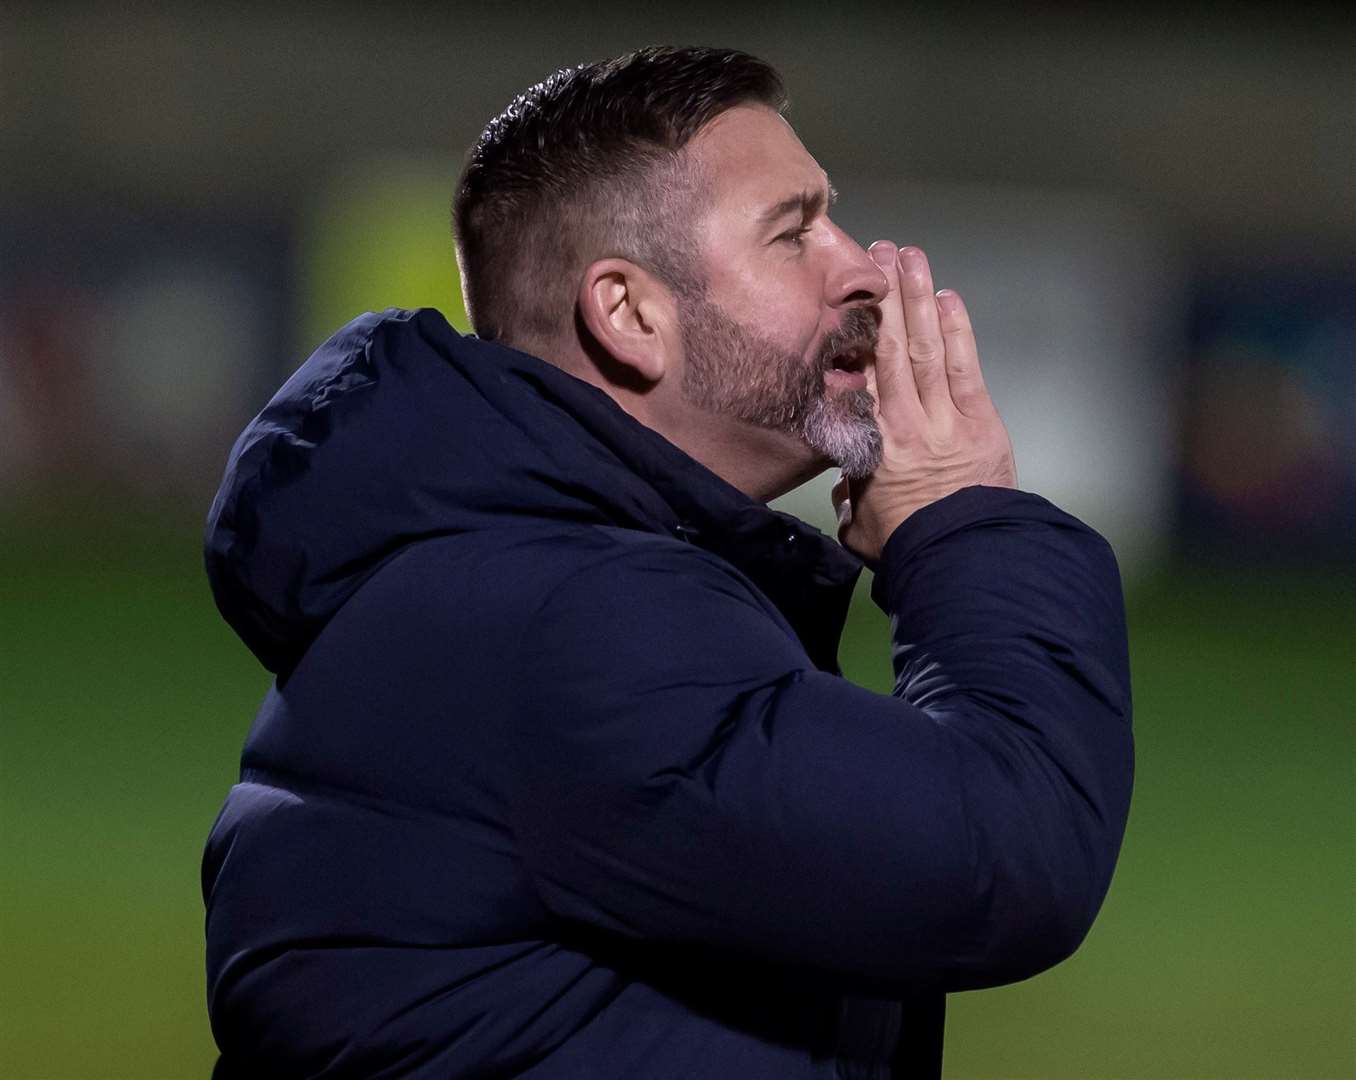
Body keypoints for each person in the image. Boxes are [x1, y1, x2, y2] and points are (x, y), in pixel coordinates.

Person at [202, 46, 1133, 1079]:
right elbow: (1005, 855)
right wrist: (965, 526)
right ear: (631, 314)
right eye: (794, 234)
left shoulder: (508, 574)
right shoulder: (572, 621)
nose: (861, 264)